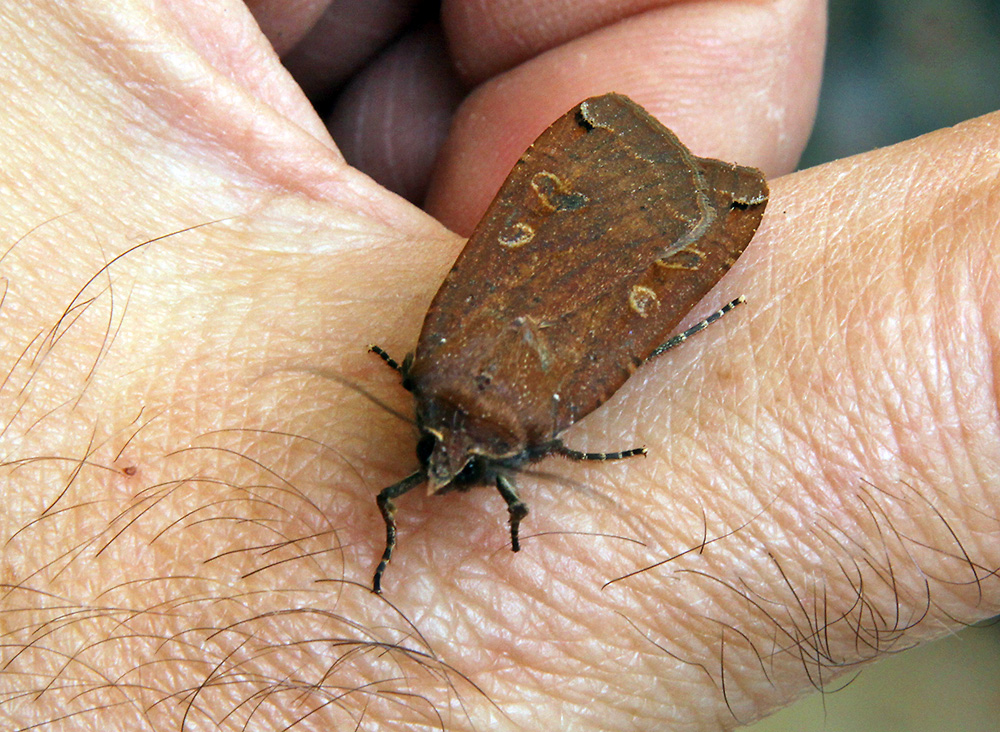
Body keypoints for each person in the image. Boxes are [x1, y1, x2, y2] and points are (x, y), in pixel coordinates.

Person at [1, 1, 996, 729]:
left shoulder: (458, 391)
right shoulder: (450, 398)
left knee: (633, 356)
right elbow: (443, 479)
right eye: (440, 461)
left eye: (442, 461)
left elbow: (482, 460)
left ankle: (677, 277)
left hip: (551, 340)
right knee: (604, 366)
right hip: (550, 319)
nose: (435, 474)